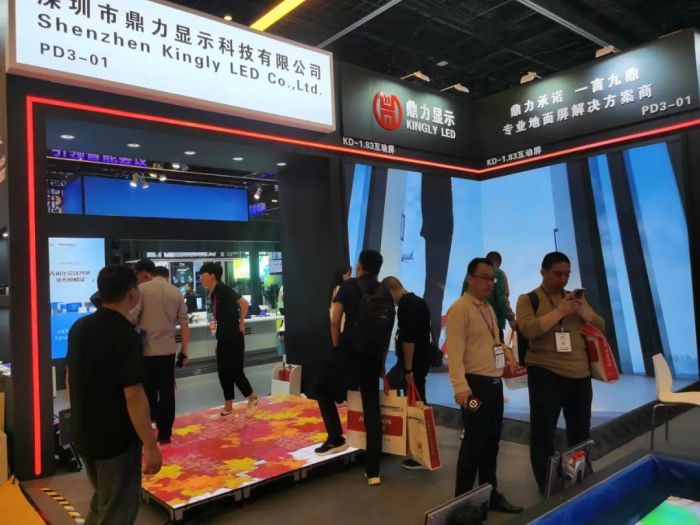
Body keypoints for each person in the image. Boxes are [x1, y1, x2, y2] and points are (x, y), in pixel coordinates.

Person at [65, 265, 162, 525]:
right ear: (132, 294)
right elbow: (134, 395)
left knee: (102, 504)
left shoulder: (79, 327)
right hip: (116, 443)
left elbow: (69, 378)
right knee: (117, 512)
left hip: (85, 436)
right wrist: (150, 445)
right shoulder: (124, 335)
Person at [516, 252, 605, 495]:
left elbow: (601, 326)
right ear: (543, 272)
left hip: (580, 375)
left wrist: (585, 313)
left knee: (580, 432)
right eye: (557, 274)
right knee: (543, 434)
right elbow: (530, 330)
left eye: (567, 274)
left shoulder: (577, 299)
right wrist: (561, 311)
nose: (563, 279)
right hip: (545, 373)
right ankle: (548, 485)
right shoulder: (528, 299)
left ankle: (578, 477)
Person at [446, 257, 522, 513]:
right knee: (473, 443)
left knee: (491, 442)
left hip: (494, 386)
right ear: (470, 279)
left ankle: (489, 494)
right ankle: (461, 504)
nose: (490, 283)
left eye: (492, 279)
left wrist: (507, 351)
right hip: (474, 387)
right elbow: (455, 353)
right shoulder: (460, 309)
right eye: (485, 278)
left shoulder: (488, 308)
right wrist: (460, 387)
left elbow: (492, 340)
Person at [315, 249, 395, 486]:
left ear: (360, 265)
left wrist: (336, 346)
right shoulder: (385, 292)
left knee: (321, 388)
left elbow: (335, 320)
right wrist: (382, 363)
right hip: (373, 356)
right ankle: (373, 472)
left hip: (349, 352)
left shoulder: (348, 286)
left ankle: (335, 437)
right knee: (372, 409)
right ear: (378, 268)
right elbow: (386, 332)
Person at [130, 259, 189, 445]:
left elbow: (132, 317)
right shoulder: (176, 292)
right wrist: (184, 351)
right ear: (167, 276)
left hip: (146, 351)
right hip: (168, 350)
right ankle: (165, 434)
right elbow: (184, 323)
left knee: (147, 392)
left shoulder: (142, 290)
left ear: (150, 274)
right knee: (167, 392)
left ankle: (148, 429)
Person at [382, 276, 432, 471]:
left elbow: (408, 339)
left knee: (415, 400)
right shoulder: (418, 301)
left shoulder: (406, 306)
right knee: (416, 399)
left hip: (413, 363)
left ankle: (421, 451)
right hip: (422, 358)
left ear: (390, 291)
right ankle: (414, 443)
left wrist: (408, 369)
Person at [198, 262, 259, 417]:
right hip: (223, 338)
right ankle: (228, 408)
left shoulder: (223, 290)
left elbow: (244, 303)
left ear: (212, 275)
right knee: (223, 372)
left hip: (233, 337)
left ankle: (253, 398)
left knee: (235, 371)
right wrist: (219, 341)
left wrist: (241, 322)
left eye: (202, 275)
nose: (201, 278)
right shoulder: (213, 293)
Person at [462, 251, 514, 342]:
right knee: (496, 350)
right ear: (498, 262)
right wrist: (511, 318)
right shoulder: (499, 273)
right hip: (492, 325)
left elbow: (463, 295)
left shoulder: (470, 275)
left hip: (470, 323)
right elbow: (502, 298)